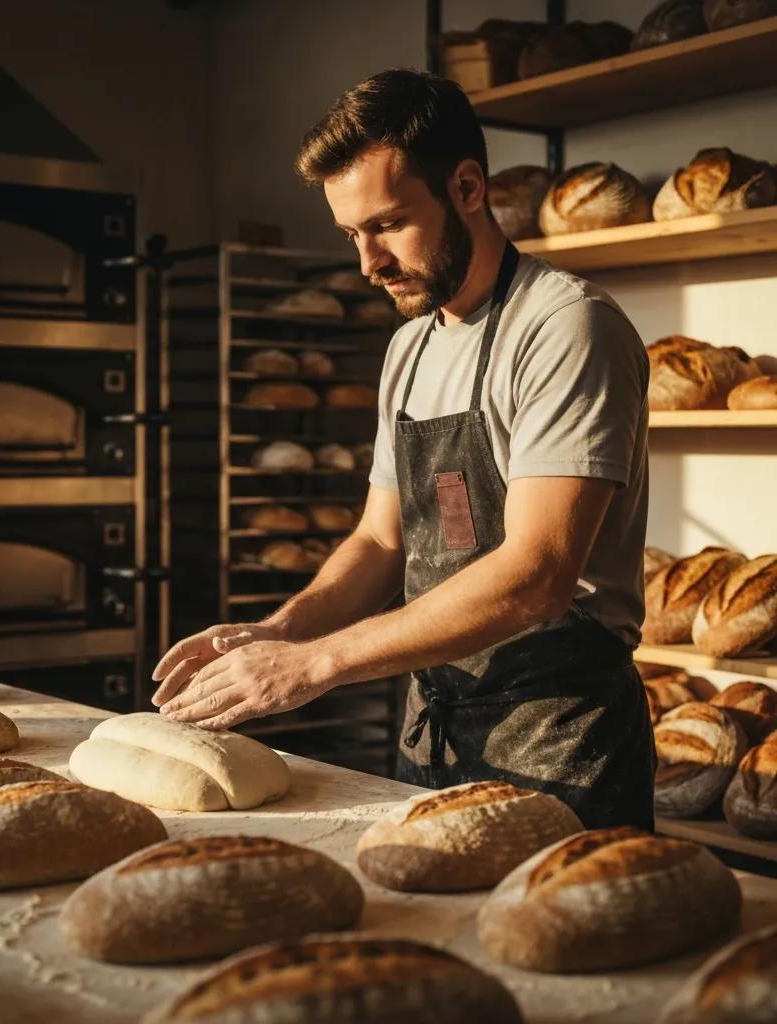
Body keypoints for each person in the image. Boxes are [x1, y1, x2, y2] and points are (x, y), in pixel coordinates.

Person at [151, 68, 655, 830]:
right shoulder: (410, 347)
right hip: (437, 725)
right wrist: (284, 630)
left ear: (467, 187)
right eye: (352, 235)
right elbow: (381, 540)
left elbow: (537, 576)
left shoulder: (564, 327)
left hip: (562, 739)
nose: (367, 263)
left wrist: (315, 663)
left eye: (387, 224)